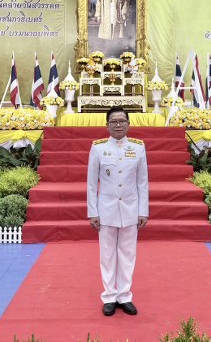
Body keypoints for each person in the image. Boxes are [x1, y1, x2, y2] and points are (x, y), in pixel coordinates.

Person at [87, 106, 149, 316]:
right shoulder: (98, 148)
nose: (118, 125)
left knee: (128, 254)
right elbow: (91, 184)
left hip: (131, 209)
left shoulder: (138, 147)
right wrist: (93, 212)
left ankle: (125, 295)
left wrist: (143, 211)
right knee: (107, 255)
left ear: (128, 124)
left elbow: (142, 182)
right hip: (106, 210)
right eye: (114, 121)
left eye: (122, 121)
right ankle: (109, 296)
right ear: (107, 125)